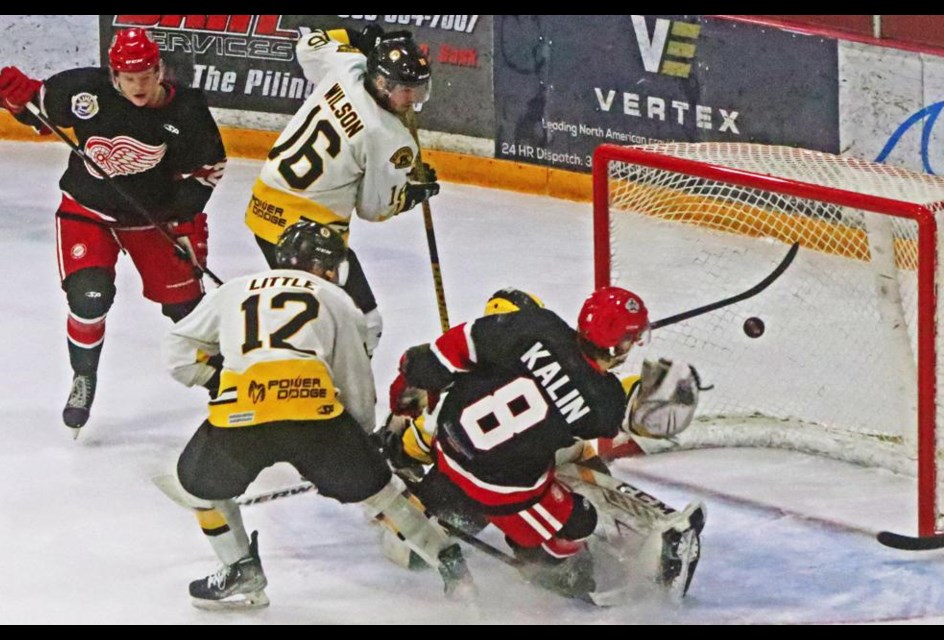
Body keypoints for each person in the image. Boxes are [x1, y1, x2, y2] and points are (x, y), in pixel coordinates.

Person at [161, 219, 473, 609]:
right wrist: (359, 440)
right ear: (322, 266)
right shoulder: (339, 300)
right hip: (316, 415)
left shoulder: (234, 290)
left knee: (197, 486)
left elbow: (177, 354)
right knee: (382, 493)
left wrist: (216, 380)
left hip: (242, 414)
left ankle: (240, 567)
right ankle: (448, 560)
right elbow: (354, 380)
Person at [386, 286, 704, 600]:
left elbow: (439, 355)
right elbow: (632, 415)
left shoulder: (535, 326)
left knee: (412, 546)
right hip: (501, 492)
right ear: (616, 347)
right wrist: (665, 392)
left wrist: (411, 374)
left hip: (447, 446)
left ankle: (422, 495)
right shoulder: (603, 402)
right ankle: (545, 564)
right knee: (581, 518)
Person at [0, 28, 227, 434]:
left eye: (146, 75)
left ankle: (229, 384)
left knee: (187, 312)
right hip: (88, 211)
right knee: (89, 297)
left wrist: (180, 217)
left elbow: (209, 169)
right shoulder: (85, 91)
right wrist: (16, 100)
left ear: (160, 70)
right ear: (114, 75)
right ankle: (84, 376)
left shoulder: (185, 111)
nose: (138, 86)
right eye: (129, 78)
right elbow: (38, 110)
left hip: (152, 219)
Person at [245, 25, 439, 355]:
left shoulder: (347, 65)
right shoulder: (390, 137)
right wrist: (409, 193)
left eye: (417, 90)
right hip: (310, 234)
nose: (412, 99)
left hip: (263, 210)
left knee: (318, 317)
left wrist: (353, 36)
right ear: (380, 83)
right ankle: (331, 395)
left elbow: (308, 45)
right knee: (361, 323)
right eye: (404, 90)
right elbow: (374, 208)